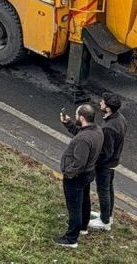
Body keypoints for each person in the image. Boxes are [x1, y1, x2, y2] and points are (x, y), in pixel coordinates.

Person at [55, 103, 104, 248]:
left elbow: (79, 163)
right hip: (88, 174)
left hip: (76, 177)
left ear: (82, 118)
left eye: (76, 116)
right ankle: (83, 226)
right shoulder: (97, 131)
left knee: (74, 206)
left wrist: (68, 173)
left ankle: (71, 238)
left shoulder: (83, 139)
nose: (75, 117)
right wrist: (69, 123)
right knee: (84, 200)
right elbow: (81, 132)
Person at [86, 93, 127, 231]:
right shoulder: (120, 119)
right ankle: (107, 214)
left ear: (108, 108)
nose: (100, 103)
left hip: (105, 164)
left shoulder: (109, 128)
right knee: (108, 189)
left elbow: (105, 152)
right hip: (113, 161)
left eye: (103, 103)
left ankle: (104, 221)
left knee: (103, 190)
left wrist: (94, 163)